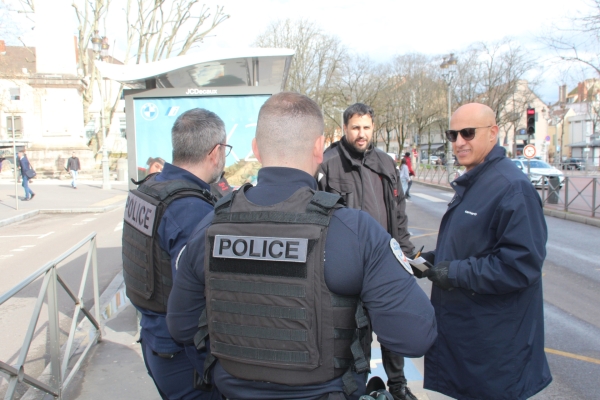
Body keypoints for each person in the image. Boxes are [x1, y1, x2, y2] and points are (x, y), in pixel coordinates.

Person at [166, 92, 437, 400]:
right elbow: (416, 337)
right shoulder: (355, 231)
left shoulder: (209, 227)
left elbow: (181, 329)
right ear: (319, 148)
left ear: (256, 149)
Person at [420, 103, 552, 399]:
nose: (459, 142)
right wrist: (433, 259)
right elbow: (474, 244)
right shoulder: (477, 181)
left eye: (468, 133)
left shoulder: (511, 188)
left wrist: (452, 272)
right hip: (470, 345)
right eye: (452, 134)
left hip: (494, 352)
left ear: (493, 133)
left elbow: (519, 266)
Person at [122, 108, 228, 400]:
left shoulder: (151, 189)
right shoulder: (191, 211)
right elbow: (198, 299)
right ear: (216, 152)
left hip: (154, 341)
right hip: (184, 357)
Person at [316, 103, 417, 400]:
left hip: (385, 262)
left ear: (374, 127)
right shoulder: (327, 164)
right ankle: (355, 386)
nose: (361, 134)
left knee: (391, 326)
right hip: (346, 268)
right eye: (355, 128)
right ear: (345, 128)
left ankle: (397, 385)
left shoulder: (386, 163)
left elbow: (398, 214)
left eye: (366, 128)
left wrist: (408, 255)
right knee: (353, 333)